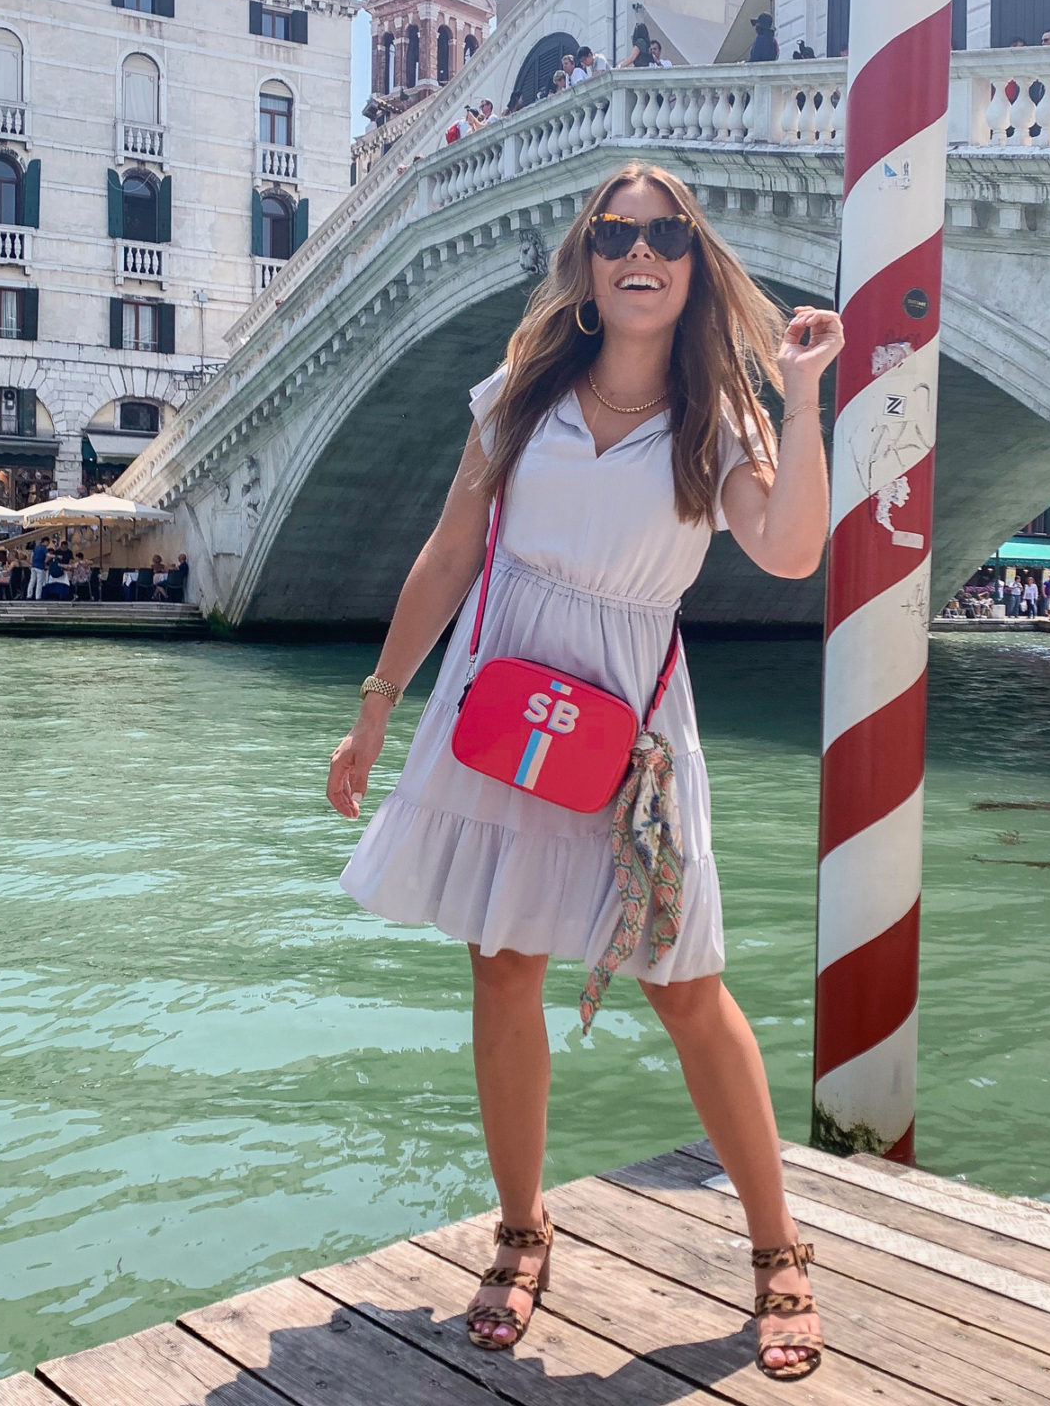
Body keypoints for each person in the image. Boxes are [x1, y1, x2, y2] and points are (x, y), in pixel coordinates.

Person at [328, 161, 840, 1379]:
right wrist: (374, 710)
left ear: (693, 259)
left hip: (633, 730)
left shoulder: (723, 417)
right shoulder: (522, 388)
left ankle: (778, 1251)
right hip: (500, 696)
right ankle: (519, 1231)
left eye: (665, 232)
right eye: (616, 230)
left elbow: (788, 548)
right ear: (590, 256)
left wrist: (805, 397)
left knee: (683, 983)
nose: (639, 249)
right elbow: (452, 550)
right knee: (502, 971)